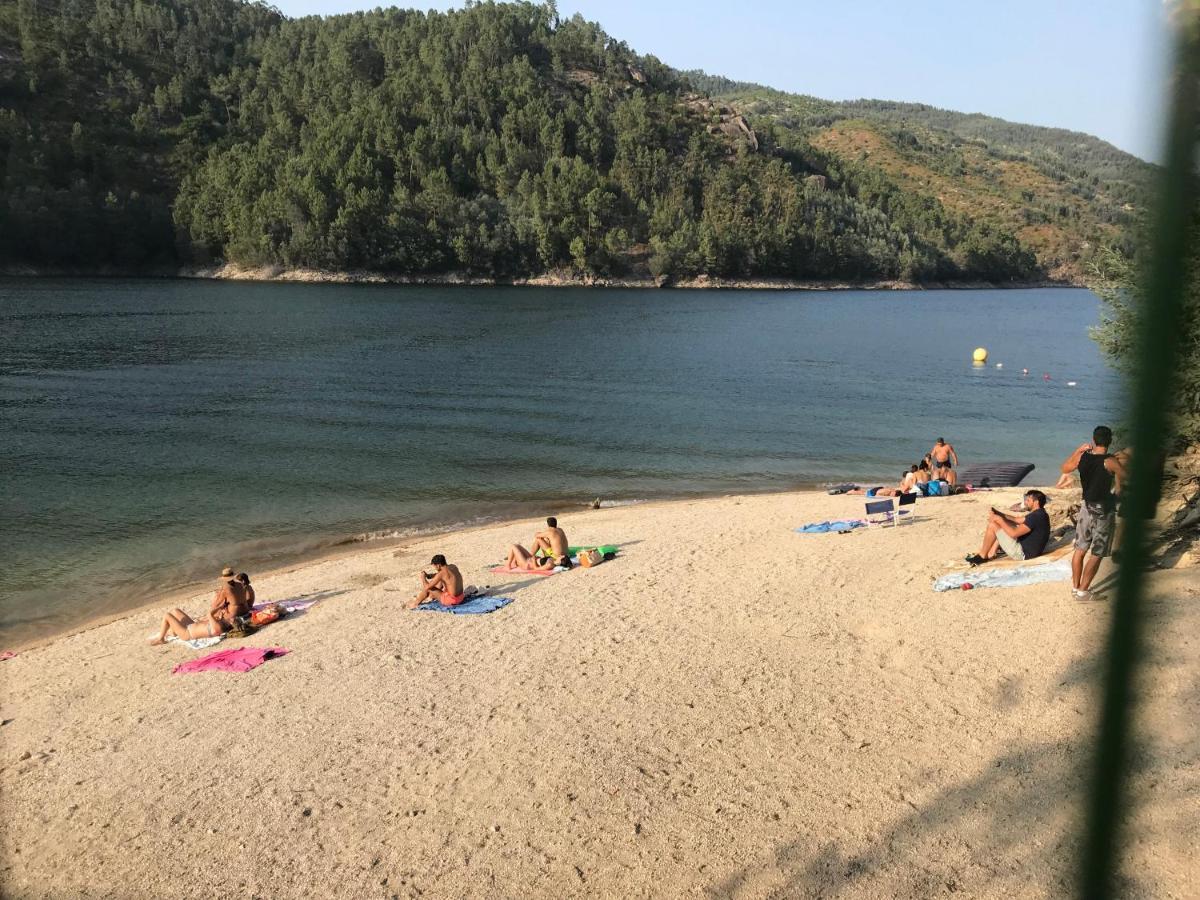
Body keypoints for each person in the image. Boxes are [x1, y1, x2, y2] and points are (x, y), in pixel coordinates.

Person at [1061, 427, 1123, 600]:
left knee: (1080, 549)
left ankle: (1075, 587)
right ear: (1110, 440)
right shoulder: (1110, 461)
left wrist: (1078, 450)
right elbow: (1126, 477)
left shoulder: (1083, 457)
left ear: (1093, 440)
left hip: (1086, 508)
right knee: (1097, 552)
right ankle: (1083, 591)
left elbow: (1065, 468)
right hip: (1103, 511)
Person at [148, 566, 250, 644]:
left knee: (167, 615)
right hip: (191, 626)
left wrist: (219, 605)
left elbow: (211, 611)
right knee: (175, 611)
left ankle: (161, 638)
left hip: (187, 632)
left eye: (233, 620)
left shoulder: (218, 628)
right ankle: (171, 631)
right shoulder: (239, 585)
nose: (232, 619)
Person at [965, 490, 1051, 566]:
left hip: (1023, 554)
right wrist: (999, 514)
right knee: (1002, 524)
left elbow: (1014, 534)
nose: (1025, 502)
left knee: (993, 525)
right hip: (1030, 551)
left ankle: (982, 556)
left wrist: (999, 519)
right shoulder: (1041, 514)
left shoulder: (1035, 517)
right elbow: (1016, 520)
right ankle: (991, 552)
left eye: (1028, 500)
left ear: (1036, 502)